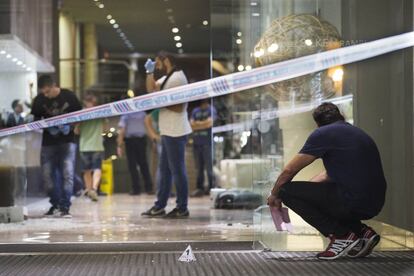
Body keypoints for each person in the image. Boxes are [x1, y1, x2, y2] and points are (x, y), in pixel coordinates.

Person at [267, 102, 386, 260]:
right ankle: (361, 232)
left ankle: (341, 235)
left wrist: (274, 195)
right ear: (341, 115)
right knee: (329, 193)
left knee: (285, 190)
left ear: (317, 124)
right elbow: (328, 175)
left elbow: (289, 170)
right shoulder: (357, 133)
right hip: (374, 203)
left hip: (352, 201)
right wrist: (308, 195)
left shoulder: (323, 133)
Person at [142, 51, 192, 218]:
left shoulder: (178, 78)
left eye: (157, 63)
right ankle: (159, 205)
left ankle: (182, 207)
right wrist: (149, 72)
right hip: (168, 130)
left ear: (166, 61)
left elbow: (179, 107)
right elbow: (151, 90)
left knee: (177, 170)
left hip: (176, 131)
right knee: (164, 171)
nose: (157, 66)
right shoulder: (168, 77)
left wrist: (159, 102)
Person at [31, 75, 82, 218]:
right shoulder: (39, 100)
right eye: (43, 92)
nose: (46, 95)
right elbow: (35, 121)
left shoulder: (69, 96)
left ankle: (65, 206)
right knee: (47, 175)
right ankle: (55, 203)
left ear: (54, 86)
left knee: (67, 173)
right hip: (48, 143)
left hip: (67, 141)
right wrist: (46, 128)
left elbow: (80, 116)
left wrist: (70, 126)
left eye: (48, 92)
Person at [75, 94, 106, 202]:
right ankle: (94, 189)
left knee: (86, 170)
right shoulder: (100, 114)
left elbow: (76, 131)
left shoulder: (81, 115)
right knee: (97, 168)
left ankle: (89, 189)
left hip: (84, 146)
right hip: (97, 145)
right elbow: (104, 128)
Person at [117, 111, 153, 195]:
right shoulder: (142, 114)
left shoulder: (126, 114)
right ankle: (148, 188)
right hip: (137, 140)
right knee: (143, 164)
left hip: (133, 141)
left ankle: (137, 189)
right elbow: (148, 127)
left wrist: (119, 144)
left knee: (133, 165)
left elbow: (122, 130)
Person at [190, 99, 216, 197]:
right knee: (199, 168)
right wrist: (203, 124)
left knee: (209, 167)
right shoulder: (195, 111)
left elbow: (210, 123)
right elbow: (191, 125)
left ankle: (211, 188)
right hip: (197, 143)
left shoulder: (211, 109)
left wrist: (197, 124)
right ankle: (199, 188)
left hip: (207, 143)